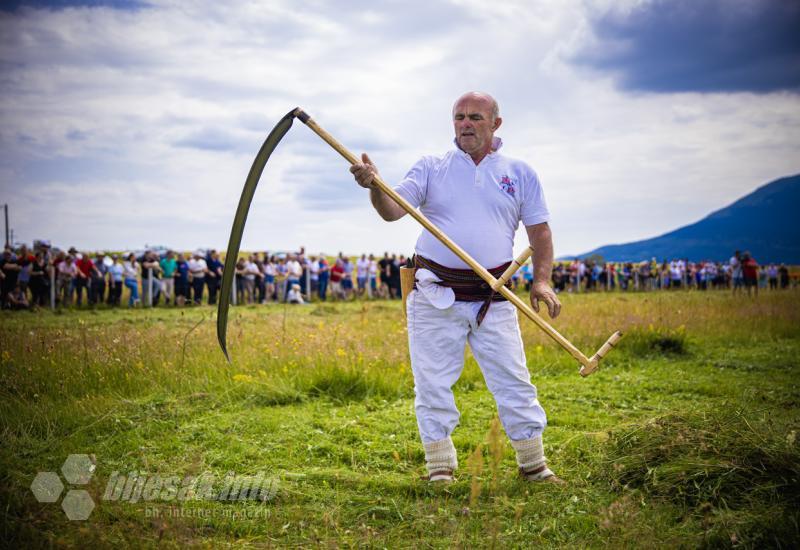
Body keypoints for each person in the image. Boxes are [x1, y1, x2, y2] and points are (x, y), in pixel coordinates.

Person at [349, 91, 562, 483]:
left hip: (493, 294)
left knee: (513, 380)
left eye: (475, 118)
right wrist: (374, 186)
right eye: (460, 117)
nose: (466, 123)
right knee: (432, 383)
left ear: (495, 123)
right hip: (434, 294)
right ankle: (440, 468)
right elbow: (392, 211)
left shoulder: (519, 172)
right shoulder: (432, 167)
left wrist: (543, 281)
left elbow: (540, 231)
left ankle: (533, 465)